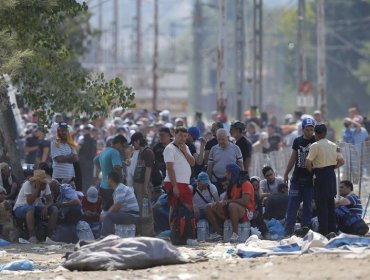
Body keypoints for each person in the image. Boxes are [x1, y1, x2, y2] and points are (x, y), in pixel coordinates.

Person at [306, 124, 344, 237]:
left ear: (316, 134)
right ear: (325, 133)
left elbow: (308, 162)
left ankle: (324, 232)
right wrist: (331, 168)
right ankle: (333, 230)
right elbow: (341, 161)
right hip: (331, 175)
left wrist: (312, 172)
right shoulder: (334, 145)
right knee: (330, 204)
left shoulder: (315, 145)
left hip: (320, 176)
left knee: (321, 205)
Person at [205, 163, 254, 243]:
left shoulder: (246, 184)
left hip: (247, 212)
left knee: (232, 206)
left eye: (227, 172)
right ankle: (219, 233)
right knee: (209, 207)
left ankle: (235, 234)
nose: (225, 174)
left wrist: (228, 201)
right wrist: (219, 203)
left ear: (232, 173)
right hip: (232, 209)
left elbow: (245, 201)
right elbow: (225, 200)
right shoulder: (232, 184)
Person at [284, 118, 316, 236]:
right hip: (296, 179)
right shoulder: (297, 141)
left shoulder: (315, 142)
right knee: (292, 205)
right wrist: (286, 173)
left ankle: (305, 230)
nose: (309, 132)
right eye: (307, 130)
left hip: (309, 180)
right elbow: (293, 158)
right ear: (303, 130)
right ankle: (288, 229)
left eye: (311, 130)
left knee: (307, 207)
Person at [13, 170, 58, 243]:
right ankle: (32, 236)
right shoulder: (27, 184)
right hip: (20, 208)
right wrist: (37, 189)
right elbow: (29, 202)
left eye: (44, 183)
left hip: (35, 207)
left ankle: (49, 236)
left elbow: (50, 200)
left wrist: (46, 207)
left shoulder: (46, 185)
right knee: (30, 208)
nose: (44, 185)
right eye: (41, 183)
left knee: (54, 209)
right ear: (37, 182)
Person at [163, 126, 195, 211]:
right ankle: (173, 224)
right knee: (175, 208)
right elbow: (169, 168)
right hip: (174, 183)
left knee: (189, 208)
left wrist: (185, 151)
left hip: (184, 182)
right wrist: (175, 186)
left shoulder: (186, 147)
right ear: (175, 135)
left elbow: (192, 163)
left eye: (185, 136)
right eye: (180, 135)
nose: (183, 138)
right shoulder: (169, 148)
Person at [130, 132, 155, 236]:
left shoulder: (147, 152)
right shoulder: (139, 152)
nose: (133, 145)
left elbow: (148, 169)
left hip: (143, 185)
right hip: (137, 184)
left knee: (145, 209)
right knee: (139, 208)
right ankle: (140, 231)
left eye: (133, 143)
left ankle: (148, 232)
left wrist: (145, 186)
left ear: (138, 141)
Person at [101, 171, 140, 237]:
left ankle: (104, 237)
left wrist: (106, 214)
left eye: (107, 179)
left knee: (108, 217)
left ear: (110, 179)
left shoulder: (120, 189)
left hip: (131, 216)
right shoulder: (119, 189)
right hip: (129, 215)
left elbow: (117, 205)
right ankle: (109, 236)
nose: (106, 180)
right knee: (107, 216)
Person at [94, 134, 127, 211]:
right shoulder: (115, 152)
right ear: (118, 143)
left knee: (105, 209)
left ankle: (103, 222)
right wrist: (122, 180)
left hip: (102, 186)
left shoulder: (104, 151)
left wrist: (102, 170)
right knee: (112, 211)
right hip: (112, 188)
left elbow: (95, 160)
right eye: (122, 145)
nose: (122, 148)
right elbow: (117, 167)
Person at [207, 128, 244, 194]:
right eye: (219, 139)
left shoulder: (236, 148)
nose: (221, 142)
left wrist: (243, 180)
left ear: (228, 137)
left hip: (231, 182)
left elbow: (240, 166)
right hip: (215, 181)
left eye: (223, 139)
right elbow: (209, 167)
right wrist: (208, 182)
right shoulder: (213, 149)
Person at [77, 126, 97, 193]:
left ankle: (82, 195)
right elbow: (94, 152)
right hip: (90, 163)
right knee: (88, 181)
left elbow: (77, 149)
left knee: (81, 180)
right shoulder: (94, 141)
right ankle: (87, 196)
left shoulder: (82, 140)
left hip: (81, 163)